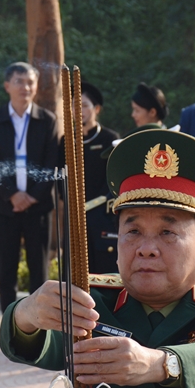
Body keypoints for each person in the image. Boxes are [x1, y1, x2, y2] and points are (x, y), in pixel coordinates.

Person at [0, 129, 195, 388]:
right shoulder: (92, 302)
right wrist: (27, 314)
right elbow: (34, 342)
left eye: (167, 232)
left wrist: (160, 364)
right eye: (133, 231)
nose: (146, 249)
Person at [0, 62, 58, 313]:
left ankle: (40, 329)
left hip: (38, 208)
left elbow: (51, 163)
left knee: (40, 272)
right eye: (19, 81)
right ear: (7, 86)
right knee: (7, 271)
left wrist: (32, 196)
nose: (25, 87)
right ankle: (10, 327)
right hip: (5, 207)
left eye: (30, 82)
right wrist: (13, 194)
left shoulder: (47, 120)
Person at [78, 82, 120, 274]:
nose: (79, 110)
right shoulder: (66, 142)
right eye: (74, 105)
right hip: (75, 218)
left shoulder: (109, 139)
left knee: (103, 271)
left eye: (84, 105)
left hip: (102, 215)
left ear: (96, 109)